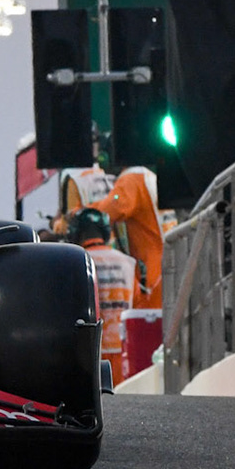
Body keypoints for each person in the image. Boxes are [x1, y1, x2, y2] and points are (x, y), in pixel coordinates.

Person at [71, 207, 139, 386]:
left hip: (92, 354)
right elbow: (137, 304)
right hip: (124, 352)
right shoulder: (128, 263)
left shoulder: (78, 263)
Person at [86, 165, 164, 308]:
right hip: (161, 268)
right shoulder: (148, 176)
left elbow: (106, 211)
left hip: (151, 277)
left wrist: (72, 216)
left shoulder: (132, 179)